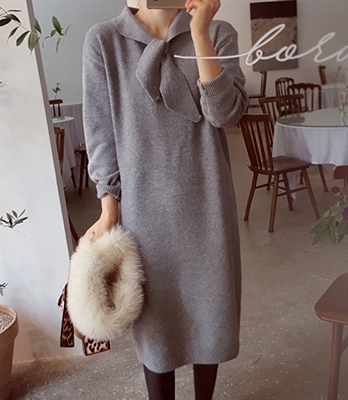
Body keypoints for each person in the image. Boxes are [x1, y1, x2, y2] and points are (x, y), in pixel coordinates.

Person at [82, 0, 248, 398]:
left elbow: (226, 114)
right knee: (156, 330)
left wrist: (199, 33)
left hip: (208, 208)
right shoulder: (105, 41)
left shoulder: (217, 32)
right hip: (144, 214)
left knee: (211, 319)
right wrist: (108, 208)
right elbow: (100, 132)